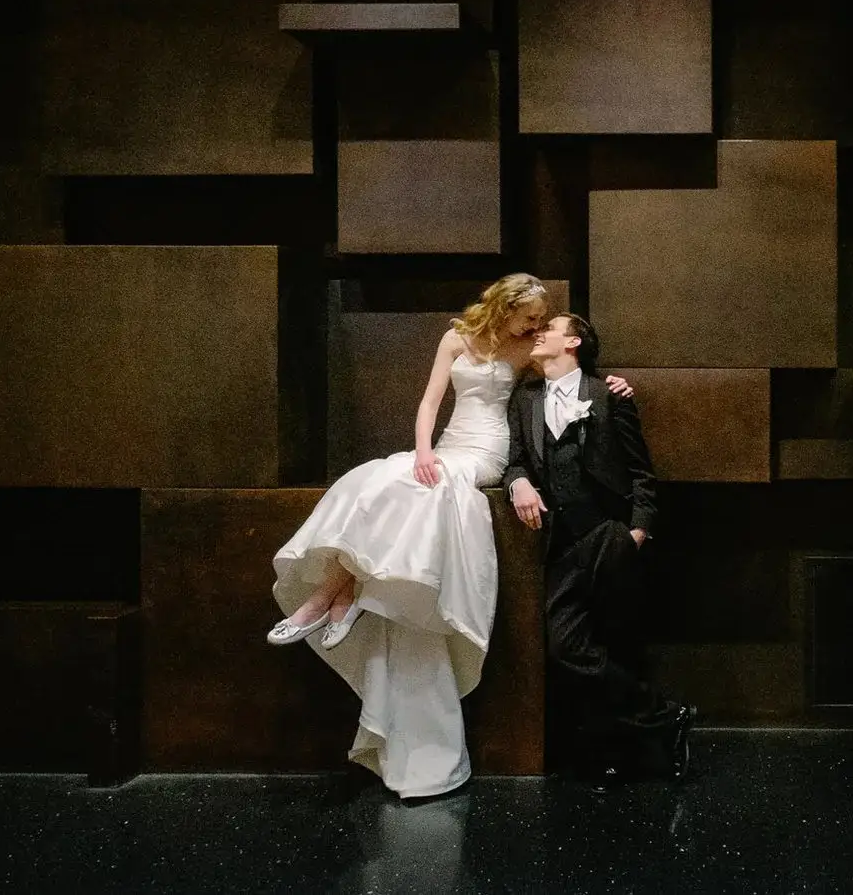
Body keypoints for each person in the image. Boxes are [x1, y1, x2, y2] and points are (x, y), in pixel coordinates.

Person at [266, 274, 634, 798]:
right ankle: (339, 592)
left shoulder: (524, 347)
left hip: (486, 452)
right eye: (529, 316)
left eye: (539, 321)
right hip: (447, 442)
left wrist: (612, 383)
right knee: (379, 477)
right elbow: (429, 402)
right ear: (504, 308)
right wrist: (421, 450)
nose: (535, 326)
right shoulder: (457, 337)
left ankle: (333, 598)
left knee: (435, 491)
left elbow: (566, 373)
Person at [503, 312, 695, 785]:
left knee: (616, 645)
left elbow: (641, 473)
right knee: (566, 649)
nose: (539, 332)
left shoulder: (609, 395)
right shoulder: (524, 399)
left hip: (608, 536)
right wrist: (519, 481)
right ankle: (664, 715)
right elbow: (515, 460)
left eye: (549, 327)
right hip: (560, 546)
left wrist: (638, 531)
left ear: (572, 342)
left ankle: (618, 758)